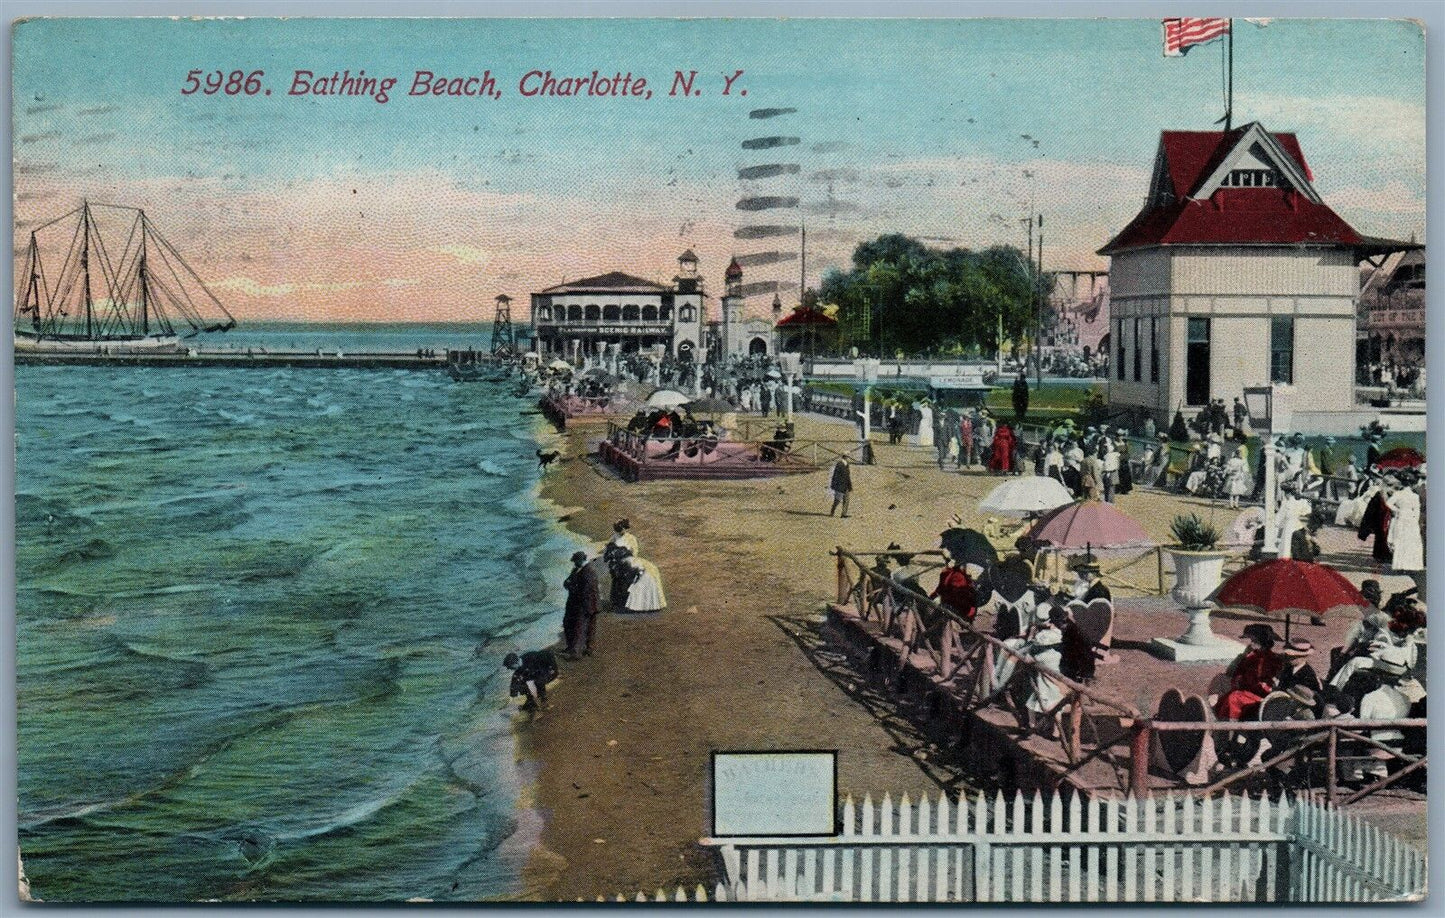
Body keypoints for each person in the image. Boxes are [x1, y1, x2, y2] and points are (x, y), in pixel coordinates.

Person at [1214, 624, 1283, 721]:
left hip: (1262, 695)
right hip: (1248, 690)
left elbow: (1264, 684)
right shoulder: (1252, 655)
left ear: (1262, 642)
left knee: (1233, 698)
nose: (1251, 644)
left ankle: (1231, 727)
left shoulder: (1269, 659)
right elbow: (1236, 671)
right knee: (1225, 696)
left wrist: (1243, 682)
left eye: (1254, 641)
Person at [562, 550, 601, 657]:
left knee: (580, 627)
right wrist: (570, 585)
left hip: (585, 604)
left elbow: (585, 590)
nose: (574, 563)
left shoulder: (589, 571)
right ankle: (582, 649)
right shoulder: (578, 569)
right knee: (580, 626)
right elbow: (567, 582)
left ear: (580, 560)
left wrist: (571, 586)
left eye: (575, 561)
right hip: (582, 603)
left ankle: (576, 652)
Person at [1386, 477, 1423, 575]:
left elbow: (1388, 503)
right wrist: (1415, 520)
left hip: (1401, 517)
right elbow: (1416, 510)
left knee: (1400, 540)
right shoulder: (1414, 496)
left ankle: (1400, 565)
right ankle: (1410, 565)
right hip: (1411, 518)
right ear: (1411, 485)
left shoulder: (1398, 494)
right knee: (1410, 542)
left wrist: (1397, 510)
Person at [603, 520, 641, 611]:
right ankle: (615, 602)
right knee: (616, 582)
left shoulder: (631, 538)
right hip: (616, 564)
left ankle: (626, 603)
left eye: (621, 529)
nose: (620, 532)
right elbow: (608, 549)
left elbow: (635, 551)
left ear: (625, 528)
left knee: (627, 582)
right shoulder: (614, 538)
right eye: (618, 530)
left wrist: (629, 559)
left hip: (627, 563)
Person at [929, 552, 978, 621]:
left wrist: (941, 599)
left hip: (959, 608)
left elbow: (961, 594)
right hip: (953, 605)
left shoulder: (958, 576)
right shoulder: (946, 574)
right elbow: (939, 590)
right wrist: (930, 598)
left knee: (939, 612)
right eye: (946, 561)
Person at [1275, 639, 1322, 705]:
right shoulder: (1288, 668)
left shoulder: (1309, 674)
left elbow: (1309, 697)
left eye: (1293, 657)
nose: (1289, 658)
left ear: (1303, 657)